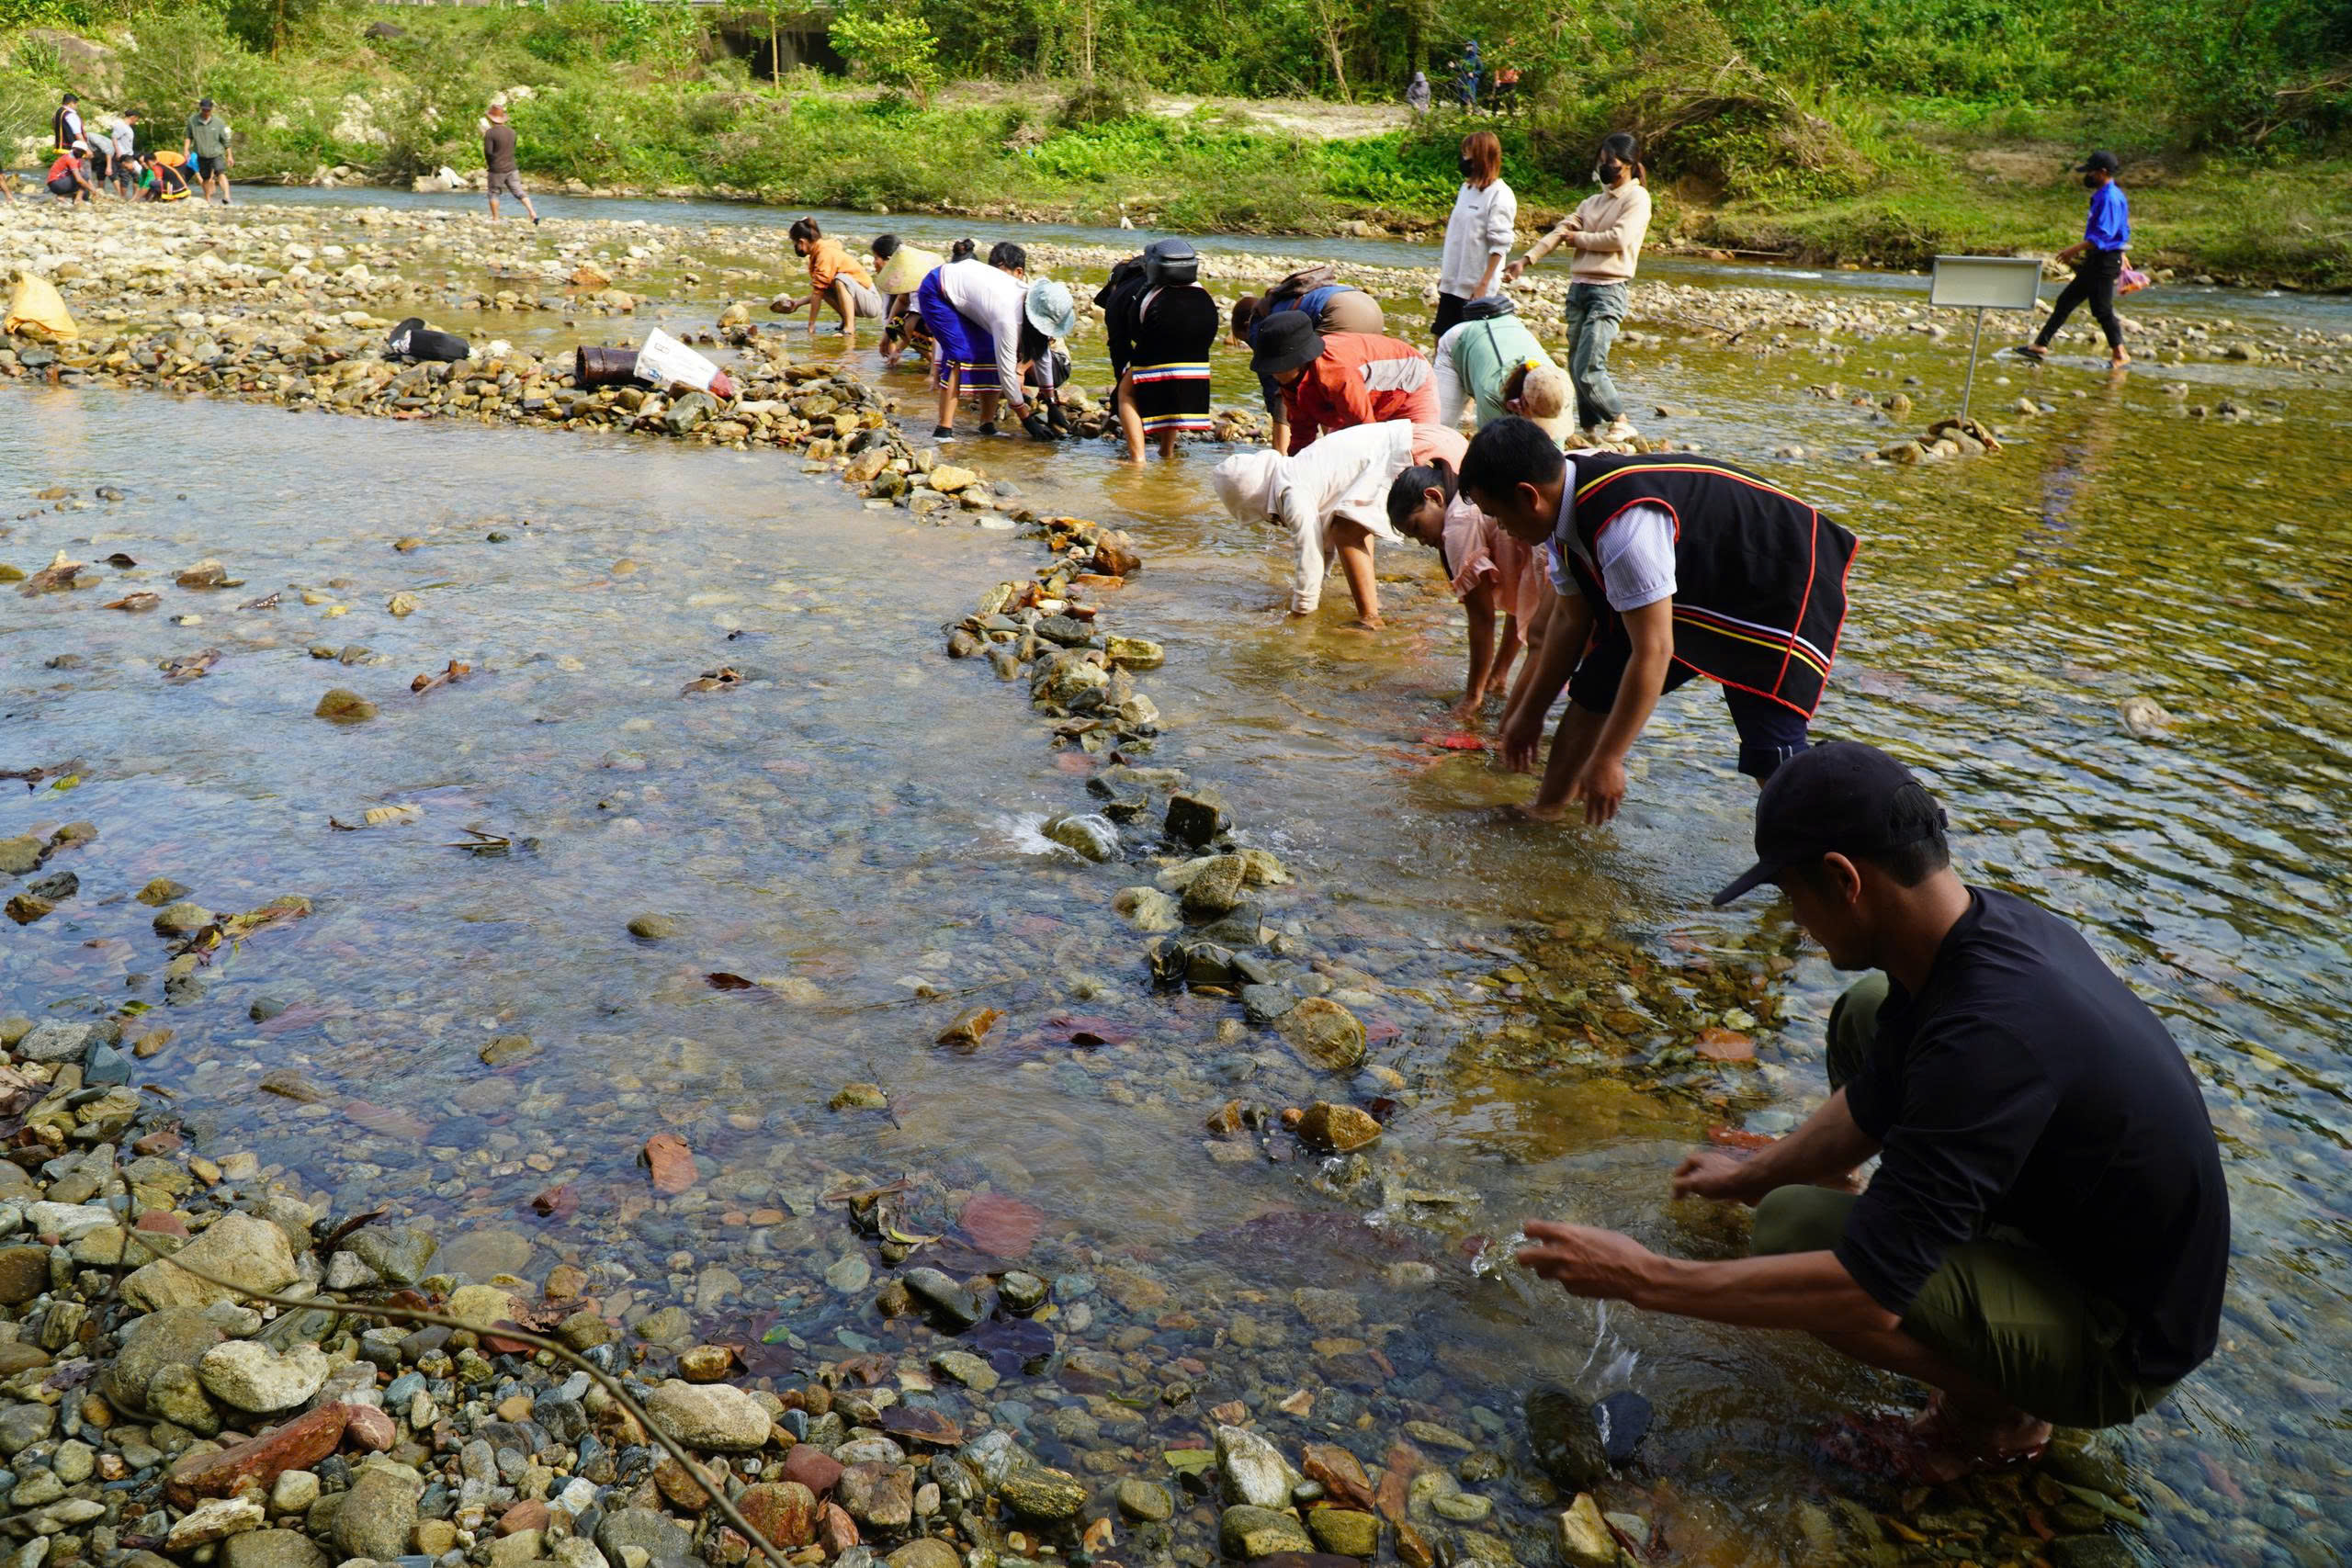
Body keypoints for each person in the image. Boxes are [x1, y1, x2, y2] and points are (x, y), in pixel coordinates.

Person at [1520, 742, 2230, 1482]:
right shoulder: (1980, 933)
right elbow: (1875, 1095)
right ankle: (1925, 1255)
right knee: (1865, 1014)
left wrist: (1643, 1276)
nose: (1796, 922)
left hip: (2117, 1342)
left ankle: (1992, 1414)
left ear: (1842, 878)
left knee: (1795, 1229)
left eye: (1792, 895)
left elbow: (1866, 1292)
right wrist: (1749, 1173)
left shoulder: (1989, 1038)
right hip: (2069, 1226)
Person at [1459, 417, 1855, 821]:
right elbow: (1569, 621)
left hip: (1777, 578)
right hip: (1689, 582)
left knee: (1769, 750)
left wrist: (1610, 759)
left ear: (1528, 496)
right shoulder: (1562, 503)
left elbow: (1654, 650)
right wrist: (1530, 714)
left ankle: (1818, 851)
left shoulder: (1623, 527)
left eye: (1499, 516)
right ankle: (1547, 813)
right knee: (1595, 688)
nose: (1504, 531)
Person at [1213, 420, 1464, 627]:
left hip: (1415, 448)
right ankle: (1451, 594)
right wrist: (1314, 591)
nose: (1277, 523)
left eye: (1270, 519)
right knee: (1352, 525)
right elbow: (1323, 546)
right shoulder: (1302, 469)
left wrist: (1301, 614)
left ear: (1256, 500)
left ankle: (1370, 620)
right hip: (1433, 439)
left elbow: (1308, 553)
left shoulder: (1292, 491)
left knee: (1347, 532)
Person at [1506, 131, 1652, 446]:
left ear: (1627, 164)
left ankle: (1621, 420)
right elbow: (1559, 233)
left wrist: (1581, 239)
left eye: (1610, 162)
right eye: (1602, 162)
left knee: (1589, 365)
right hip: (1579, 290)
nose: (1604, 168)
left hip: (1609, 290)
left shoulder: (1637, 199)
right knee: (1575, 364)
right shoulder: (1591, 202)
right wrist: (1525, 261)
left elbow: (1619, 238)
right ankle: (1589, 429)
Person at [1389, 449, 1542, 721]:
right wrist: (1498, 674)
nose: (1422, 541)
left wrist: (1473, 697)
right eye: (1412, 538)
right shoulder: (1465, 501)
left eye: (1416, 527)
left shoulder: (1457, 524)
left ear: (1434, 497)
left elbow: (1482, 619)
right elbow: (1519, 601)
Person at [916, 243, 1064, 441]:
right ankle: (943, 429)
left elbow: (1042, 354)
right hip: (938, 290)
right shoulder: (1008, 319)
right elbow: (1007, 373)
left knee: (990, 351)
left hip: (970, 291)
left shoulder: (1033, 302)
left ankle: (986, 425)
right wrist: (1027, 420)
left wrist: (1052, 403)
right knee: (962, 353)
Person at [1232, 269, 1386, 454]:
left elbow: (1275, 384)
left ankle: (1283, 460)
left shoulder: (1262, 325)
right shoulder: (1279, 302)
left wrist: (1278, 420)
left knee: (1296, 381)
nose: (1250, 344)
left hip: (1338, 312)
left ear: (1247, 326)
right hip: (1368, 306)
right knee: (1348, 385)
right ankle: (1353, 449)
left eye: (1244, 339)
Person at [1252, 311, 1437, 454]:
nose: (1272, 374)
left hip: (1410, 379)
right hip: (1368, 396)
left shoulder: (1337, 372)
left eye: (1276, 368)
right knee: (1335, 457)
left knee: (1415, 455)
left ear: (1298, 362)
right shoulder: (1290, 382)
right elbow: (1302, 434)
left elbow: (1365, 432)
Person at [1102, 239, 1219, 463]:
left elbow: (1120, 346)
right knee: (1171, 386)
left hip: (1161, 324)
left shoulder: (1120, 295)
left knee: (1126, 393)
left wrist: (1125, 380)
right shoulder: (1197, 288)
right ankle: (1166, 451)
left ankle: (1137, 459)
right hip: (1203, 326)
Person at [2015, 152, 2132, 370]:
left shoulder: (2109, 198)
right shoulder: (2108, 194)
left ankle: (2120, 353)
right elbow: (2121, 229)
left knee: (2102, 309)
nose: (2087, 175)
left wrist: (2073, 249)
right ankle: (2040, 345)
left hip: (2104, 260)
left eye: (2091, 171)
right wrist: (2122, 253)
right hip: (2102, 258)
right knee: (2067, 300)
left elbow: (2104, 234)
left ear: (2102, 173)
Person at [1433, 295, 1557, 430]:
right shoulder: (1492, 393)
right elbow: (1490, 444)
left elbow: (1555, 443)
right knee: (1441, 428)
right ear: (1517, 405)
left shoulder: (1558, 388)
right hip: (1460, 340)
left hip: (1505, 332)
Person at [1435, 131, 1515, 340]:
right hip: (1452, 283)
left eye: (1468, 155)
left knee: (1468, 345)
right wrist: (1445, 276)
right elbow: (1457, 237)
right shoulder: (1466, 189)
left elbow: (1500, 245)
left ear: (1481, 158)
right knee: (1441, 340)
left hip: (1475, 289)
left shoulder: (1500, 194)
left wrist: (1483, 283)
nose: (1464, 160)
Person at [776, 218, 887, 343]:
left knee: (840, 280)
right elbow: (820, 290)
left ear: (802, 242)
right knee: (823, 285)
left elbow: (818, 294)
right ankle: (846, 321)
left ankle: (849, 328)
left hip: (872, 302)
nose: (795, 247)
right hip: (860, 299)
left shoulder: (824, 254)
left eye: (794, 243)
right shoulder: (819, 251)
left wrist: (811, 326)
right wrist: (797, 303)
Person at [871, 235, 942, 368]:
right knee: (899, 321)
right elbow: (899, 307)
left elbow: (937, 322)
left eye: (876, 258)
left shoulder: (924, 286)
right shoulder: (903, 287)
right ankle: (933, 362)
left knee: (909, 321)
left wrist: (934, 375)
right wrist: (889, 341)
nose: (873, 262)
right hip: (927, 327)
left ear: (890, 261)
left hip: (938, 328)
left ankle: (938, 366)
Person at [481, 102, 539, 226]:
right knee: (518, 191)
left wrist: (490, 164)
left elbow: (488, 152)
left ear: (491, 119)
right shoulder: (512, 132)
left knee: (493, 193)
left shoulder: (490, 133)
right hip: (512, 167)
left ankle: (496, 218)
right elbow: (512, 148)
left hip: (496, 168)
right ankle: (532, 212)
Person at [185, 96, 232, 205]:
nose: (206, 112)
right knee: (205, 178)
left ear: (211, 110)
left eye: (208, 110)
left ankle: (226, 196)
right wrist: (186, 150)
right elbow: (188, 136)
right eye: (204, 110)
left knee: (220, 172)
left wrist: (229, 156)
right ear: (200, 108)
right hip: (201, 154)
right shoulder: (193, 120)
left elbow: (225, 140)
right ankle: (208, 200)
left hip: (216, 153)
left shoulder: (219, 122)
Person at [107, 111, 140, 198]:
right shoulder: (120, 125)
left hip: (130, 155)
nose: (137, 121)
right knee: (125, 177)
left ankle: (134, 198)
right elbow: (114, 138)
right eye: (137, 118)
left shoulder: (128, 127)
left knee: (136, 176)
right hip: (123, 155)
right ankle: (123, 198)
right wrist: (118, 152)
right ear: (133, 117)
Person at [51, 92, 84, 158]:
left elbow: (54, 126)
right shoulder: (70, 115)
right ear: (71, 103)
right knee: (74, 168)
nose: (76, 107)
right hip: (72, 149)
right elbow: (77, 133)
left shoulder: (57, 113)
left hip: (59, 148)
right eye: (76, 105)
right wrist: (86, 148)